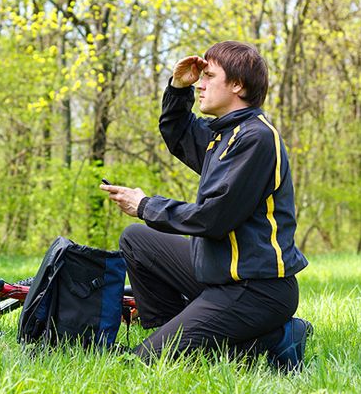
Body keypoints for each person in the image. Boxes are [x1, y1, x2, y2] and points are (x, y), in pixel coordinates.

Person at [100, 41, 312, 372]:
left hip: (257, 290)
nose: (200, 83)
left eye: (209, 76)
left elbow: (213, 220)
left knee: (142, 363)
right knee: (136, 239)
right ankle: (181, 327)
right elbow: (177, 131)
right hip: (220, 274)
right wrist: (177, 88)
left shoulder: (255, 139)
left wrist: (145, 205)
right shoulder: (224, 136)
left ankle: (277, 339)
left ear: (238, 85)